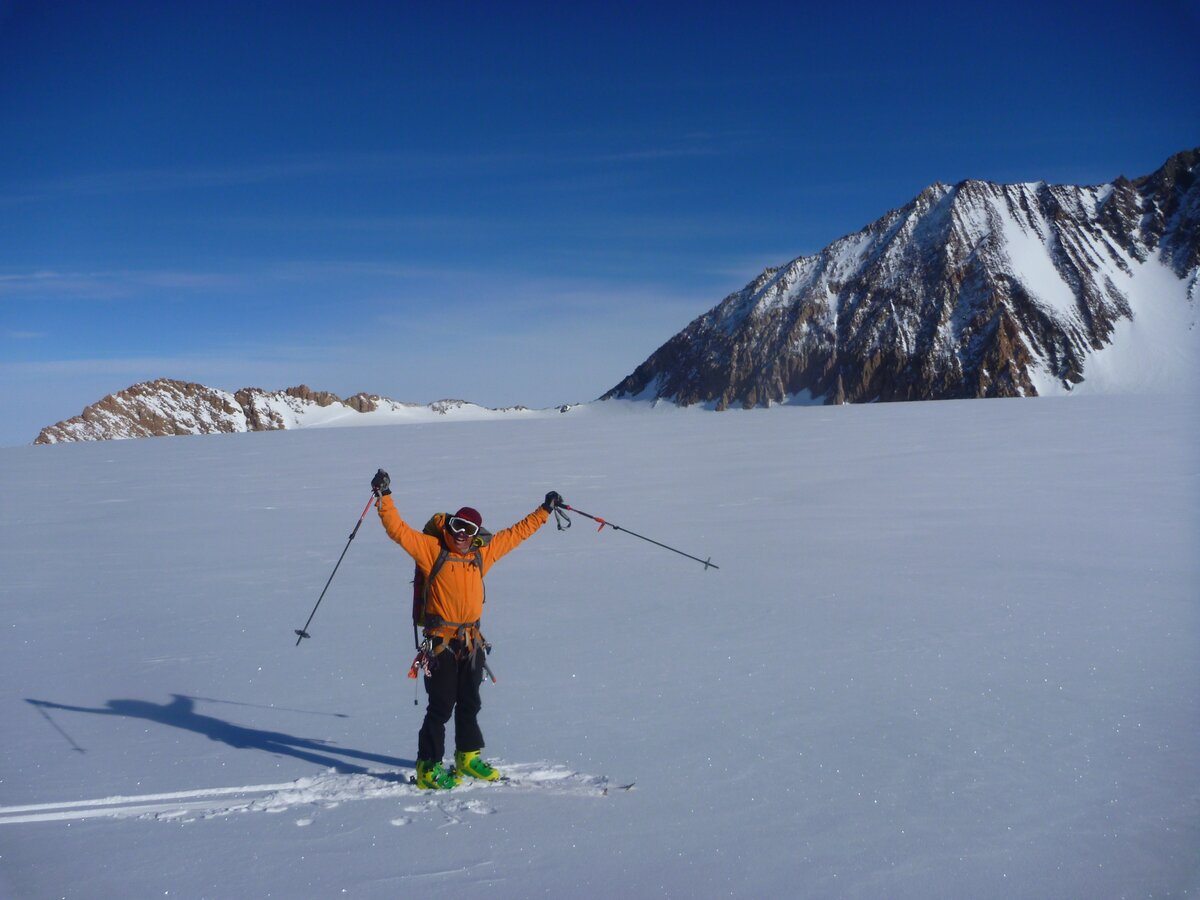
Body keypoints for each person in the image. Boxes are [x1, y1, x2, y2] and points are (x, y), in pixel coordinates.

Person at [370, 468, 563, 790]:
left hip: (472, 643)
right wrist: (384, 497)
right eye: (457, 525)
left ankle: (467, 757)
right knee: (441, 706)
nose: (461, 533)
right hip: (440, 644)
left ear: (476, 533)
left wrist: (544, 510)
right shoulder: (432, 551)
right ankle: (428, 768)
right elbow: (397, 530)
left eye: (468, 529)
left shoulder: (481, 554)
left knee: (470, 702)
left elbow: (516, 533)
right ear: (450, 525)